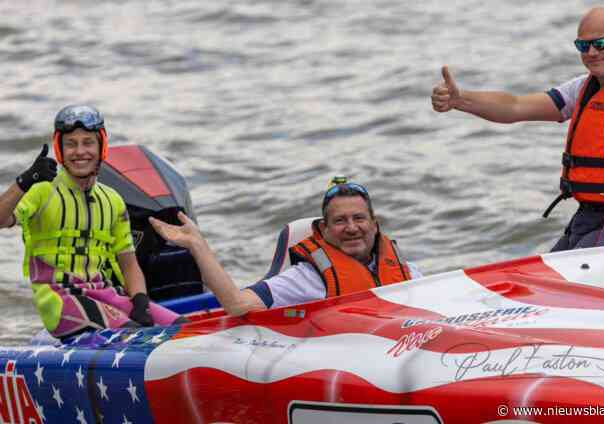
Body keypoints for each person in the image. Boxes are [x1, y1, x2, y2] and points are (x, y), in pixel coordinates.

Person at [430, 7, 604, 252]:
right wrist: (460, 100)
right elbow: (515, 106)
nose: (592, 52)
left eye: (601, 43)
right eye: (583, 46)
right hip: (587, 218)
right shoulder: (581, 88)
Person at [0, 104, 185, 340]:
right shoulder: (41, 191)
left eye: (88, 142)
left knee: (182, 327)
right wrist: (23, 182)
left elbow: (128, 263)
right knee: (134, 336)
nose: (80, 151)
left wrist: (140, 300)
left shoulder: (113, 200)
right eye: (71, 144)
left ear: (101, 147)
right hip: (60, 300)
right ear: (59, 148)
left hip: (105, 293)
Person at [149, 178, 422, 316]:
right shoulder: (308, 278)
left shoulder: (404, 269)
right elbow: (237, 304)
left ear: (375, 225)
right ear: (324, 231)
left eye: (359, 218)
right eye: (340, 221)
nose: (351, 227)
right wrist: (198, 245)